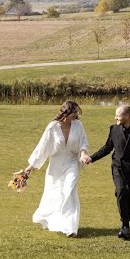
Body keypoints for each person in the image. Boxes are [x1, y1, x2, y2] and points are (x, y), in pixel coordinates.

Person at [81, 104, 130, 240]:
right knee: (121, 191)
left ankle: (125, 225)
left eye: (118, 115)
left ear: (127, 116)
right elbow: (107, 148)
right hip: (118, 167)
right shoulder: (114, 129)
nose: (115, 117)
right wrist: (91, 158)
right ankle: (125, 225)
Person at [24, 100, 89, 236]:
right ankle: (53, 220)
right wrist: (31, 167)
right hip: (56, 164)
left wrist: (83, 154)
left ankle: (70, 227)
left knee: (69, 190)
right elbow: (42, 148)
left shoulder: (78, 125)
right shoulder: (52, 127)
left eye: (77, 112)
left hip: (72, 162)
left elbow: (84, 143)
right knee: (55, 193)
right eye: (75, 112)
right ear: (67, 112)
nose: (77, 115)